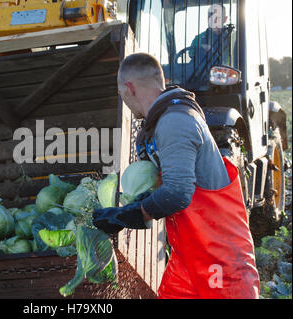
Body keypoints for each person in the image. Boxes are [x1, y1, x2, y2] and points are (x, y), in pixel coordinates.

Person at [92, 53, 260, 299]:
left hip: (221, 262)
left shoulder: (175, 123)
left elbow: (178, 193)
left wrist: (124, 216)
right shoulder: (165, 122)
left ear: (129, 88)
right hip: (189, 259)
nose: (124, 100)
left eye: (121, 94)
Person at [187, 4, 235, 80]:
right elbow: (191, 57)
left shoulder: (234, 37)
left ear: (225, 19)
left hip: (229, 81)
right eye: (210, 16)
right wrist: (201, 51)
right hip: (201, 80)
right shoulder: (198, 39)